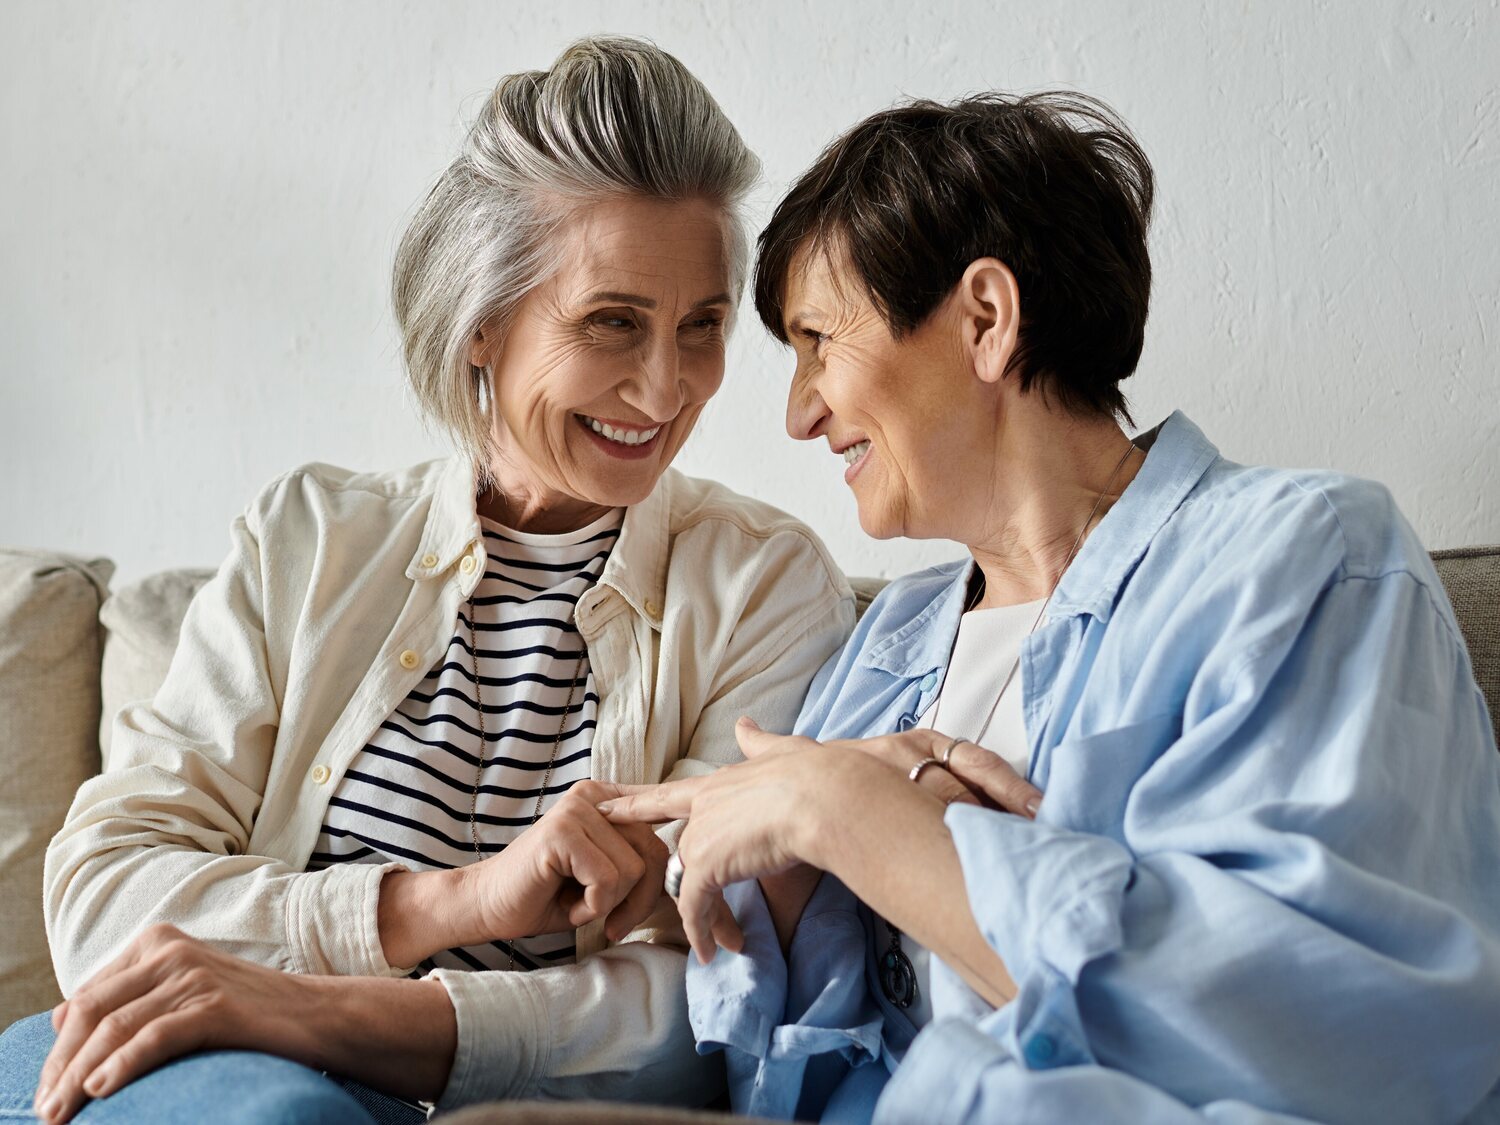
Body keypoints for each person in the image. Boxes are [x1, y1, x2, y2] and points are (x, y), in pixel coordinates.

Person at [0, 37, 853, 1125]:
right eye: (611, 322)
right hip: (207, 1075)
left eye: (703, 327)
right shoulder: (308, 541)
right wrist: (450, 903)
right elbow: (100, 899)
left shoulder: (764, 589)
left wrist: (327, 1017)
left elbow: (710, 997)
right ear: (482, 326)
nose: (665, 385)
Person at [600, 93, 1500, 1124]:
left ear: (986, 319)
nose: (800, 411)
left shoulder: (1301, 559)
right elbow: (787, 1078)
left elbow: (1327, 1032)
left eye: (816, 342)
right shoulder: (885, 647)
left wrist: (855, 816)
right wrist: (795, 880)